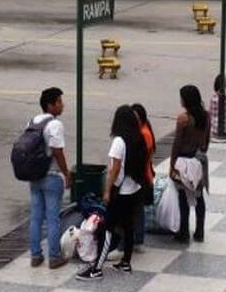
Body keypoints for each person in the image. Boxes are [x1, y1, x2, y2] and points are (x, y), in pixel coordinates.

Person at [76, 105, 146, 281]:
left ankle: (97, 269)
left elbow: (114, 169)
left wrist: (106, 190)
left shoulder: (119, 141)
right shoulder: (139, 139)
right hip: (134, 189)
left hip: (120, 191)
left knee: (107, 228)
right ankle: (126, 262)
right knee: (129, 226)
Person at [28, 87, 70, 269]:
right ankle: (54, 257)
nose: (62, 105)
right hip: (51, 176)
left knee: (36, 217)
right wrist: (67, 174)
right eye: (59, 102)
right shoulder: (55, 125)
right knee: (53, 218)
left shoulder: (32, 121)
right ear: (50, 105)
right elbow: (57, 151)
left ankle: (35, 255)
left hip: (34, 175)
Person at [171, 85, 210, 243]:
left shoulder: (183, 119)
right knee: (199, 195)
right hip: (199, 159)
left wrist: (172, 165)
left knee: (183, 196)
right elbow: (206, 142)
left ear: (186, 100)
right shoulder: (206, 116)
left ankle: (184, 230)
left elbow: (176, 144)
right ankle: (200, 231)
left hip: (184, 160)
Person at [132, 103, 155, 249]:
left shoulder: (144, 134)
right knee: (137, 207)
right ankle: (138, 238)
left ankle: (138, 239)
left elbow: (141, 157)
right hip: (143, 174)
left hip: (142, 176)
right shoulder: (143, 130)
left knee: (137, 208)